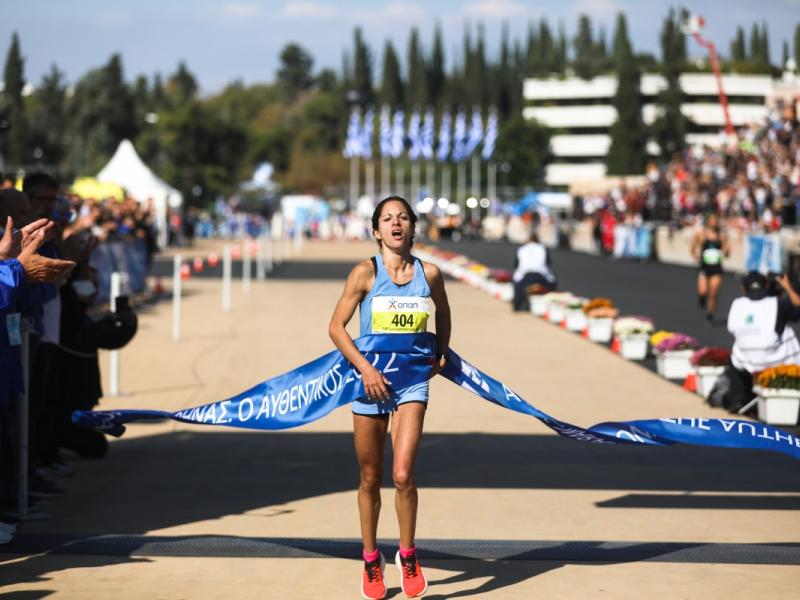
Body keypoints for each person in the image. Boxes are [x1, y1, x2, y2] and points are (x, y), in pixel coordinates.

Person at [328, 196, 450, 599]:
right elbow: (336, 328)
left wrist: (441, 349)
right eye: (387, 218)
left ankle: (408, 554)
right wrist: (365, 368)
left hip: (412, 383)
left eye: (403, 218)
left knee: (401, 475)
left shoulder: (429, 274)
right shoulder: (364, 274)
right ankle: (370, 560)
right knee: (369, 478)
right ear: (376, 231)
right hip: (370, 384)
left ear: (413, 229)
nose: (396, 223)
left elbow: (443, 312)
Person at [722, 271, 800, 411]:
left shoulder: (738, 304)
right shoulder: (777, 303)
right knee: (786, 331)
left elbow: (732, 329)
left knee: (735, 353)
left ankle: (738, 398)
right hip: (776, 361)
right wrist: (787, 286)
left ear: (744, 288)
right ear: (766, 286)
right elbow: (798, 308)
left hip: (745, 362)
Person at [691, 213, 729, 323]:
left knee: (713, 292)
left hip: (716, 268)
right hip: (704, 267)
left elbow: (726, 253)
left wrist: (725, 250)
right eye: (712, 220)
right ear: (708, 222)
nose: (714, 223)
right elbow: (693, 248)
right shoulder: (701, 235)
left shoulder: (722, 236)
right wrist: (696, 256)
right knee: (703, 291)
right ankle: (702, 299)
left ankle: (710, 314)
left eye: (715, 220)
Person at [511, 230, 557, 312]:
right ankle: (554, 305)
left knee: (517, 284)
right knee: (553, 284)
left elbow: (515, 265)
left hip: (525, 275)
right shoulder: (542, 248)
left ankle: (517, 305)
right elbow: (548, 263)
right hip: (541, 275)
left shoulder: (521, 249)